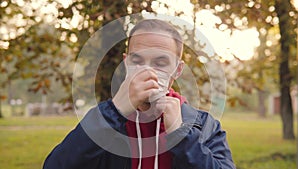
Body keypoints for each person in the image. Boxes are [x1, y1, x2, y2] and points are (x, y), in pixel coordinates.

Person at [43, 19, 235, 169]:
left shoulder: (204, 124)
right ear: (126, 63)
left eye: (160, 63)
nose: (148, 71)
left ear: (177, 70)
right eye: (138, 61)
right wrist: (114, 111)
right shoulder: (105, 119)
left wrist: (180, 133)